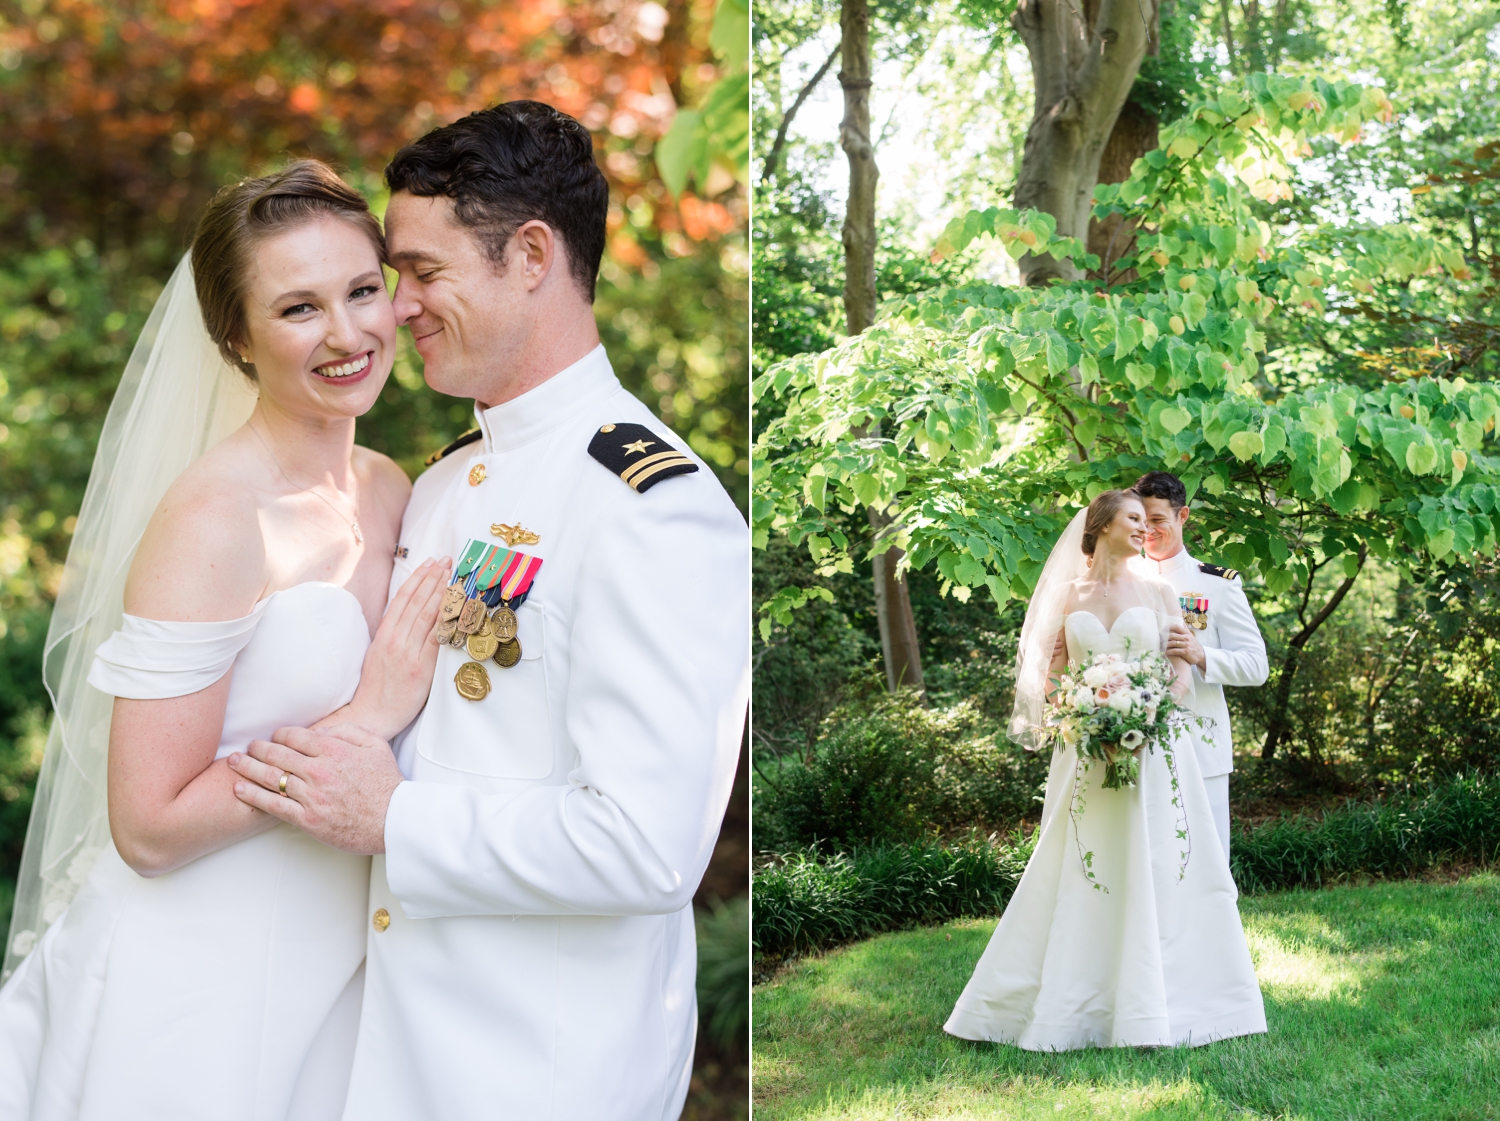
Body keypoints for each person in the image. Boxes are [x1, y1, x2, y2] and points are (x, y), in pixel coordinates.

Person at [227, 102, 750, 1119]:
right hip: (394, 1049)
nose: (397, 307)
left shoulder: (655, 508)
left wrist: (392, 815)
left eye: (424, 271)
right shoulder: (447, 482)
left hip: (538, 1067)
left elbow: (646, 844)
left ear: (532, 255)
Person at [0, 160, 447, 1118]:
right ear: (236, 336)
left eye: (362, 290)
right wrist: (360, 723)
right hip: (196, 976)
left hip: (340, 963)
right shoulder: (216, 517)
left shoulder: (393, 486)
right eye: (298, 309)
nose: (346, 333)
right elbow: (150, 824)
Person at [945, 490, 1264, 1050]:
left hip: (1156, 748)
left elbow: (1179, 670)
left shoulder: (1161, 589)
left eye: (1149, 519)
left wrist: (1151, 708)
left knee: (1165, 861)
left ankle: (1175, 1000)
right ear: (1102, 526)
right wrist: (1081, 712)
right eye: (1134, 519)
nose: (1145, 528)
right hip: (1085, 750)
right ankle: (1068, 998)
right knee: (1080, 864)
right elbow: (1051, 675)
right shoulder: (1067, 596)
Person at [1131, 470, 1269, 860]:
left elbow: (1257, 666)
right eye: (1141, 521)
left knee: (1203, 861)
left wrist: (1202, 654)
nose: (1149, 531)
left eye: (1158, 519)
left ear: (1183, 516)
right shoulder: (1119, 581)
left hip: (1199, 746)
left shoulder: (1217, 584)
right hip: (1132, 744)